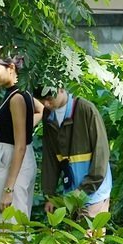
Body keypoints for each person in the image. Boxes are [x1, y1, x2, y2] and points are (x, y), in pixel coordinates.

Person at [33, 85, 112, 218]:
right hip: (70, 194)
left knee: (89, 237)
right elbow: (50, 159)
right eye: (41, 101)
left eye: (48, 98)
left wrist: (83, 191)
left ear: (61, 88)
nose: (45, 104)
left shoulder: (86, 109)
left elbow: (101, 155)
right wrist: (49, 195)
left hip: (94, 194)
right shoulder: (48, 116)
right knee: (74, 237)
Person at [0, 49, 41, 223]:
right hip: (13, 158)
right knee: (8, 224)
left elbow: (20, 146)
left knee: (11, 224)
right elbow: (41, 110)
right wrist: (23, 128)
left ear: (10, 67)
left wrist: (8, 189)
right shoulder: (20, 92)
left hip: (14, 160)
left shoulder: (17, 98)